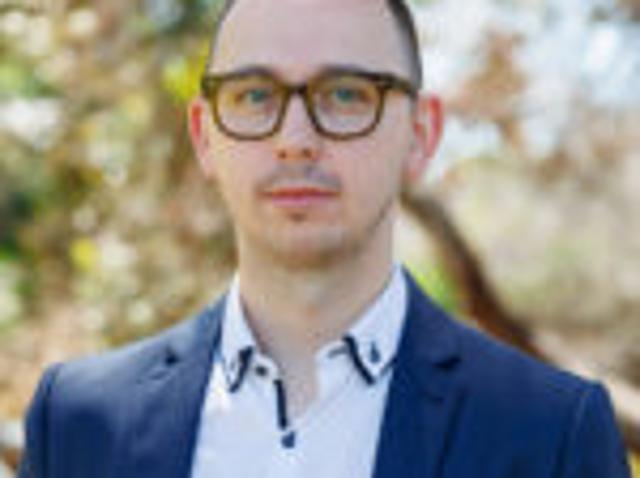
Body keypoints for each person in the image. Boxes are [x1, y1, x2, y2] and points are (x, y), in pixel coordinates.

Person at [19, 0, 631, 477]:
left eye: (344, 95)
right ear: (205, 136)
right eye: (254, 95)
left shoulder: (553, 433)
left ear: (420, 135)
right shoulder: (76, 423)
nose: (295, 140)